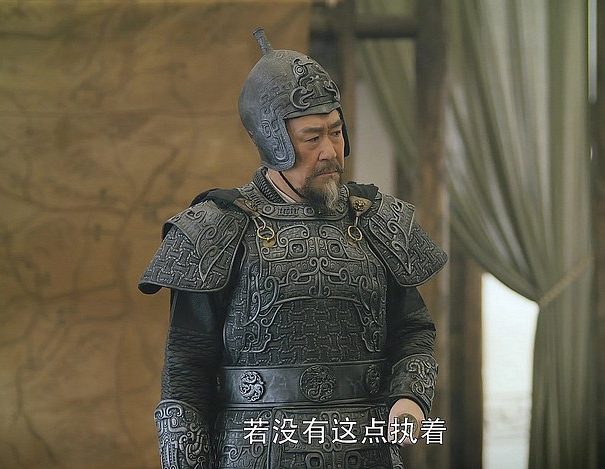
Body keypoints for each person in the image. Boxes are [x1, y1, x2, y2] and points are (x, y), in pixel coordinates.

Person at [138, 28, 447, 469]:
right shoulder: (217, 228)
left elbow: (413, 330)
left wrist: (410, 397)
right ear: (272, 141)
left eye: (336, 132)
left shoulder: (375, 220)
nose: (330, 151)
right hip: (253, 453)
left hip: (366, 450)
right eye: (312, 137)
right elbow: (186, 371)